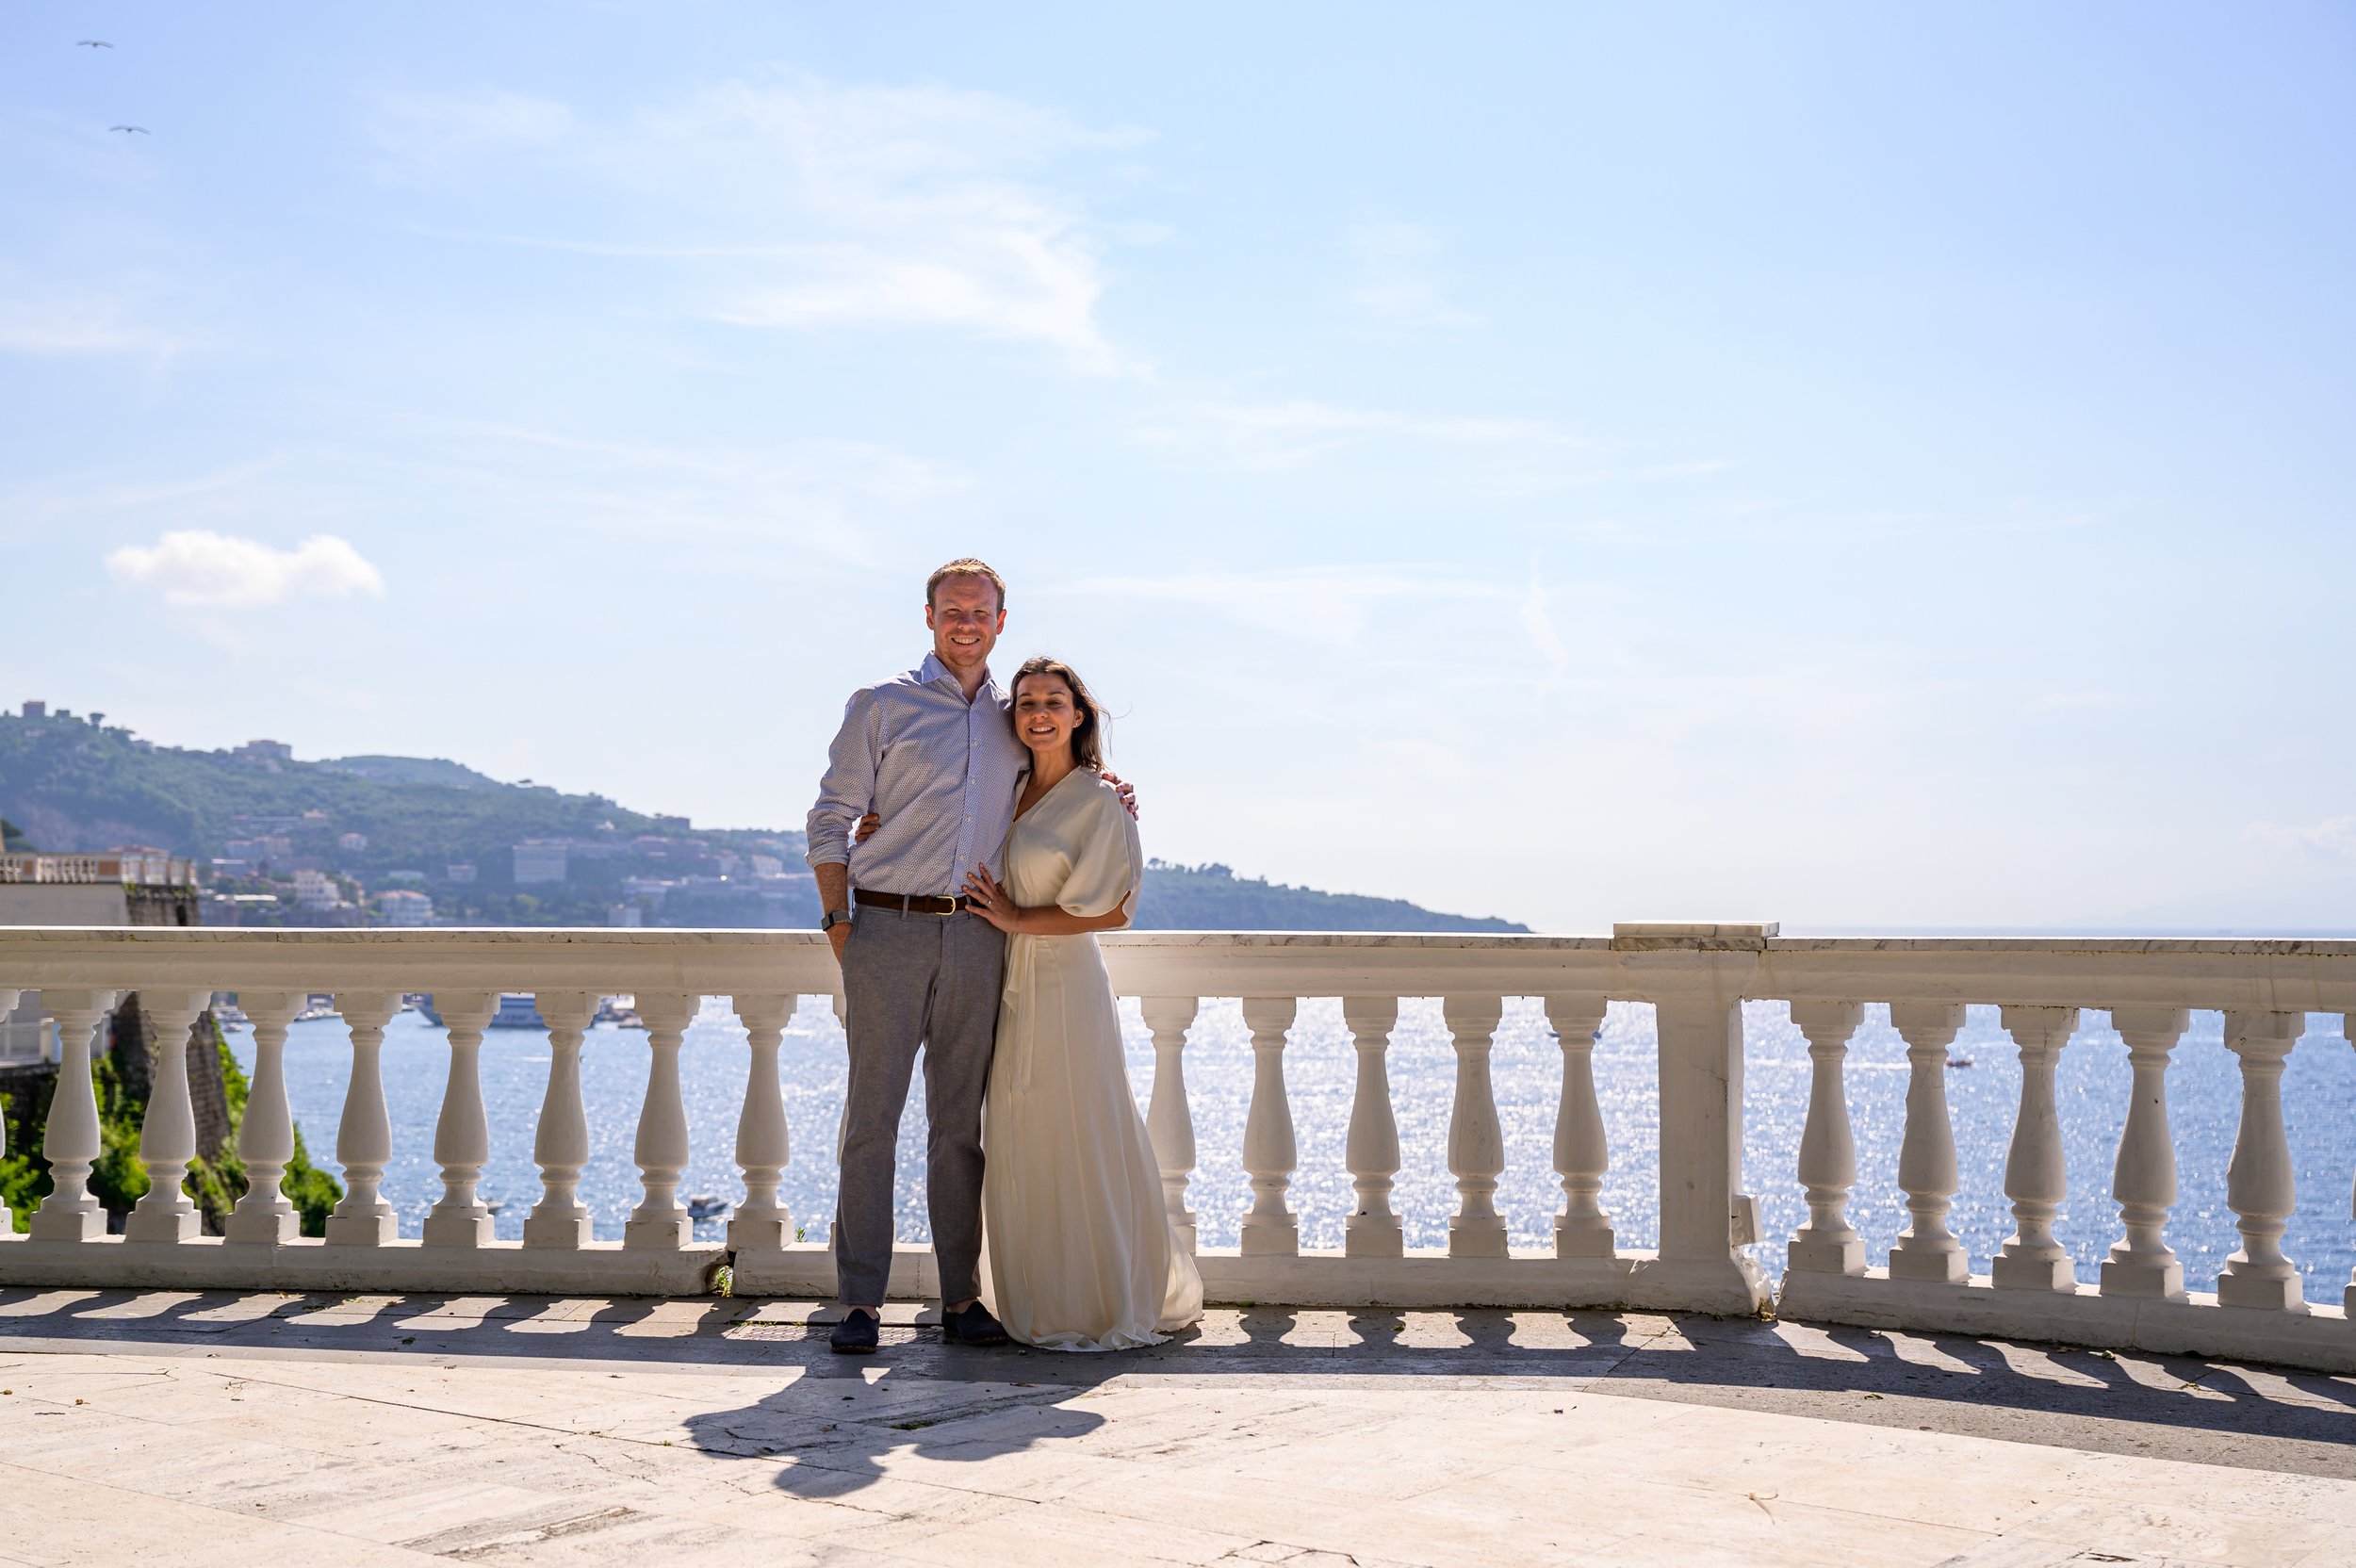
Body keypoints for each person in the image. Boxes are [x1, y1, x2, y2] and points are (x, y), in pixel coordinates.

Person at [807, 559, 1133, 1355]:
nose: (965, 624)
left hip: (980, 936)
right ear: (928, 618)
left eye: (978, 611)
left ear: (1000, 618)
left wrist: (1112, 788)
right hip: (885, 929)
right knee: (871, 1122)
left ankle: (960, 1299)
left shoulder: (1012, 717)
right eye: (951, 611)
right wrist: (837, 920)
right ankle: (859, 1303)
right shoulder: (880, 705)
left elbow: (1057, 784)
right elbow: (830, 816)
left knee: (959, 1126)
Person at [959, 657, 1203, 1348]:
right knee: (1022, 1132)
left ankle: (1095, 1297)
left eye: (1054, 701)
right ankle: (1040, 1288)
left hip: (1064, 984)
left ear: (1078, 715)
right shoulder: (1006, 790)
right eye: (1027, 701)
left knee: (1078, 1129)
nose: (1039, 712)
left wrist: (1015, 921)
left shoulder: (1099, 799)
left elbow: (1116, 912)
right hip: (1007, 982)